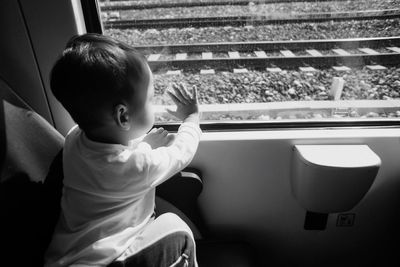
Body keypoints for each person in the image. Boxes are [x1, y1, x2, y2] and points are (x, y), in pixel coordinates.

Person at [44, 33, 202, 267]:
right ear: (123, 116)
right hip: (106, 263)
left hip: (65, 258)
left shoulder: (74, 139)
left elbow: (110, 164)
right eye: (149, 99)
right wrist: (191, 119)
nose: (153, 104)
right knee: (176, 228)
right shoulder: (139, 167)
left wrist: (144, 146)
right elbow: (181, 153)